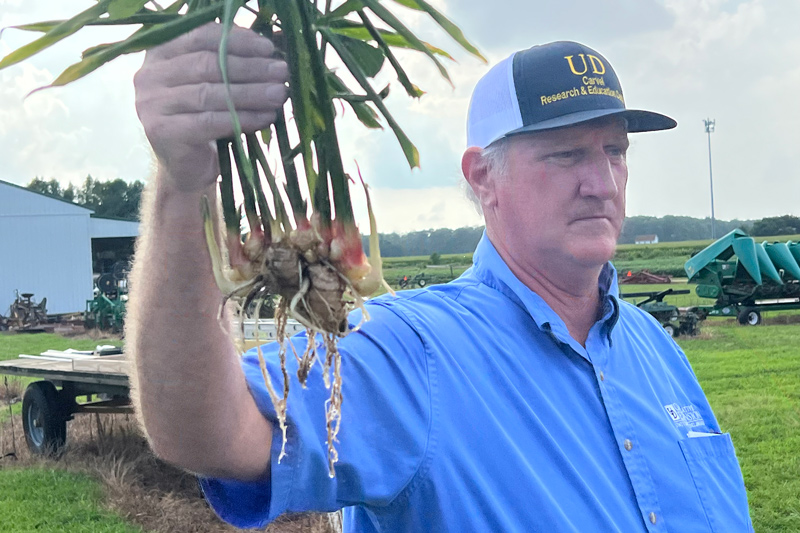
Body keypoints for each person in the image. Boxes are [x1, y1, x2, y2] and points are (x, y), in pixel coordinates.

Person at [128, 23, 754, 532]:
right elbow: (207, 433)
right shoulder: (415, 351)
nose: (603, 182)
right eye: (566, 153)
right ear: (483, 178)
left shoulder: (653, 347)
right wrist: (181, 189)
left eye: (614, 151)